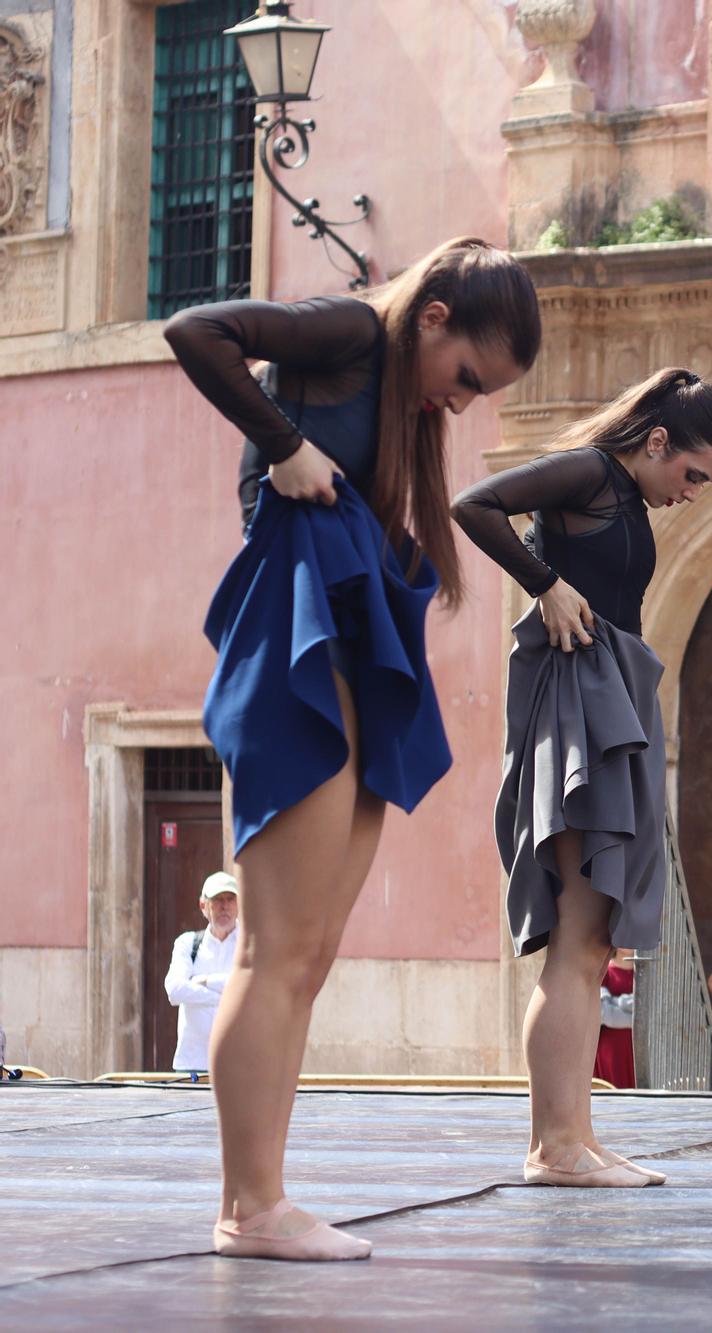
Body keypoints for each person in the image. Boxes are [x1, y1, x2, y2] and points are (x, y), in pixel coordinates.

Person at [167, 237, 542, 1262]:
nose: (457, 404)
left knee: (310, 952)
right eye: (465, 377)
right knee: (274, 946)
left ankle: (264, 1199)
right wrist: (283, 443)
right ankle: (250, 1207)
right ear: (432, 318)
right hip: (299, 633)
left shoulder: (399, 398)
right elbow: (195, 333)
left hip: (350, 628)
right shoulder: (346, 332)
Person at [453, 366, 712, 1188]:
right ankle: (554, 1147)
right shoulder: (589, 471)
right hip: (577, 708)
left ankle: (576, 1133)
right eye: (691, 474)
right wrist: (546, 585)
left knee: (591, 941)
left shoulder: (619, 490)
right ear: (656, 441)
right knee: (576, 944)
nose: (690, 493)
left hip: (606, 699)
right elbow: (473, 503)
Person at [163, 872, 242, 1076]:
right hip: (192, 1065)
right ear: (203, 906)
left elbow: (254, 989)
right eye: (217, 900)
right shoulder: (187, 944)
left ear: (238, 904)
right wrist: (228, 995)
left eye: (230, 899)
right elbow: (174, 991)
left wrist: (205, 981)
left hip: (241, 1066)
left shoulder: (250, 946)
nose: (224, 906)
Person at [594, 950, 636, 1090]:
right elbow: (603, 1013)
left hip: (640, 1050)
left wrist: (617, 1002)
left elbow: (652, 1010)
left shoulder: (646, 975)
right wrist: (637, 1017)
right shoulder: (603, 972)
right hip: (611, 1050)